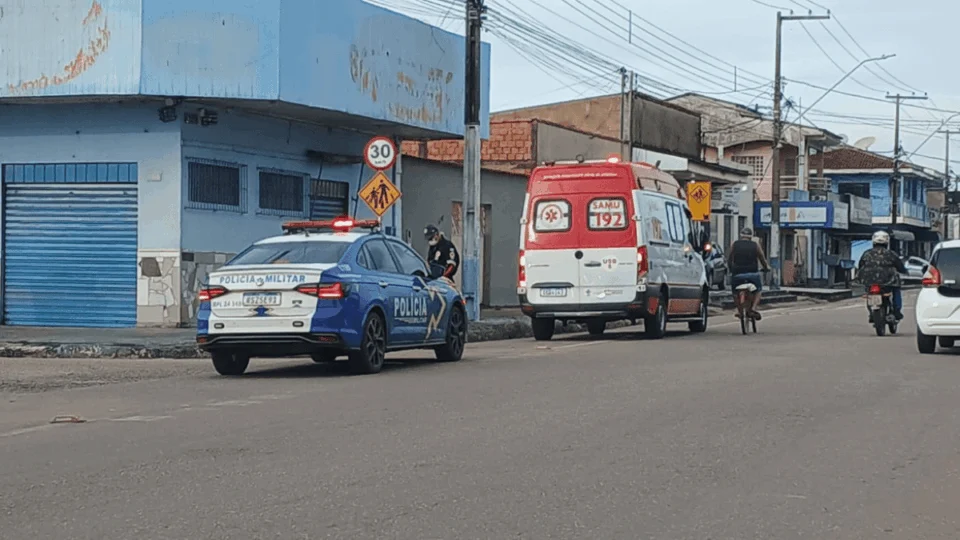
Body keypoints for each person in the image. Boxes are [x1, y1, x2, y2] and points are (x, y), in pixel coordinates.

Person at [856, 230, 906, 321]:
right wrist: (904, 271)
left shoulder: (867, 253)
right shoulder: (891, 254)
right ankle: (896, 311)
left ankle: (871, 313)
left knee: (868, 292)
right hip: (888, 282)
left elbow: (860, 266)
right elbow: (900, 267)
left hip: (869, 281)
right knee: (896, 290)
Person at [727, 227, 771, 320]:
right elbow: (762, 258)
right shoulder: (755, 245)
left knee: (735, 292)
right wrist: (766, 267)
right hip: (752, 274)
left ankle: (739, 311)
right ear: (750, 237)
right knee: (758, 290)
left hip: (737, 274)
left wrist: (731, 270)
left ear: (741, 235)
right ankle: (753, 308)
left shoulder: (734, 244)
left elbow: (729, 259)